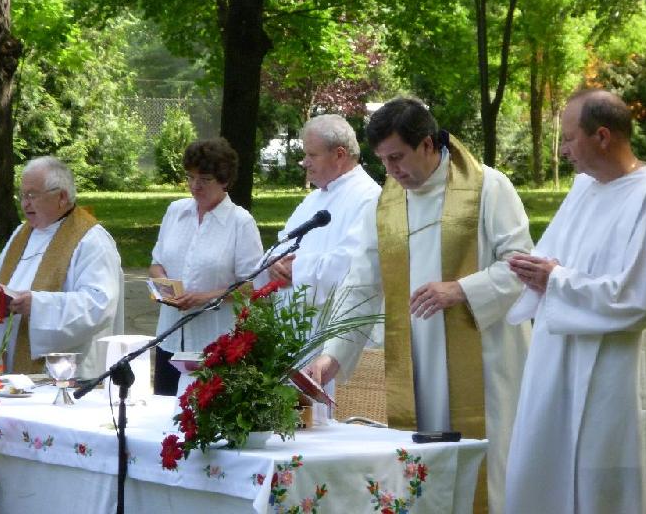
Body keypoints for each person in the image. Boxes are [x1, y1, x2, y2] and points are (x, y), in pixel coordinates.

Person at [310, 97, 533, 514]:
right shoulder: (387, 203)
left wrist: (463, 289)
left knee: (488, 478)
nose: (392, 172)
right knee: (421, 477)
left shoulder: (489, 187)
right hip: (416, 363)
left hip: (484, 363)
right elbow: (362, 283)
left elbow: (522, 267)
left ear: (428, 144)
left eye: (398, 157)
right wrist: (332, 356)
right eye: (383, 162)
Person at [504, 89, 646, 514]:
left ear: (603, 136)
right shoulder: (583, 190)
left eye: (570, 138)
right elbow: (551, 259)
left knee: (600, 492)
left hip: (613, 378)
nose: (563, 149)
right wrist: (533, 270)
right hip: (556, 365)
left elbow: (640, 299)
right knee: (542, 475)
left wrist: (556, 279)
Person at [254, 114, 382, 418]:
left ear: (340, 155)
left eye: (311, 155)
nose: (304, 163)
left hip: (332, 337)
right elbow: (279, 247)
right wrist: (271, 266)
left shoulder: (369, 198)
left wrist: (295, 270)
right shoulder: (312, 202)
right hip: (295, 335)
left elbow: (354, 265)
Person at [0, 156, 123, 380]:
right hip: (10, 369)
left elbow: (100, 305)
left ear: (62, 197)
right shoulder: (21, 234)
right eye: (22, 195)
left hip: (66, 372)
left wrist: (37, 305)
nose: (25, 203)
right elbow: (1, 283)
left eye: (32, 195)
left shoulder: (92, 240)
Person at [150, 138, 263, 396]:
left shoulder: (240, 223)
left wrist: (204, 298)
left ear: (224, 180)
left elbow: (253, 285)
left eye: (204, 180)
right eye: (190, 177)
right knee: (163, 420)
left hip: (214, 343)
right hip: (170, 337)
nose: (194, 186)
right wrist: (165, 288)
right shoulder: (175, 212)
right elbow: (157, 264)